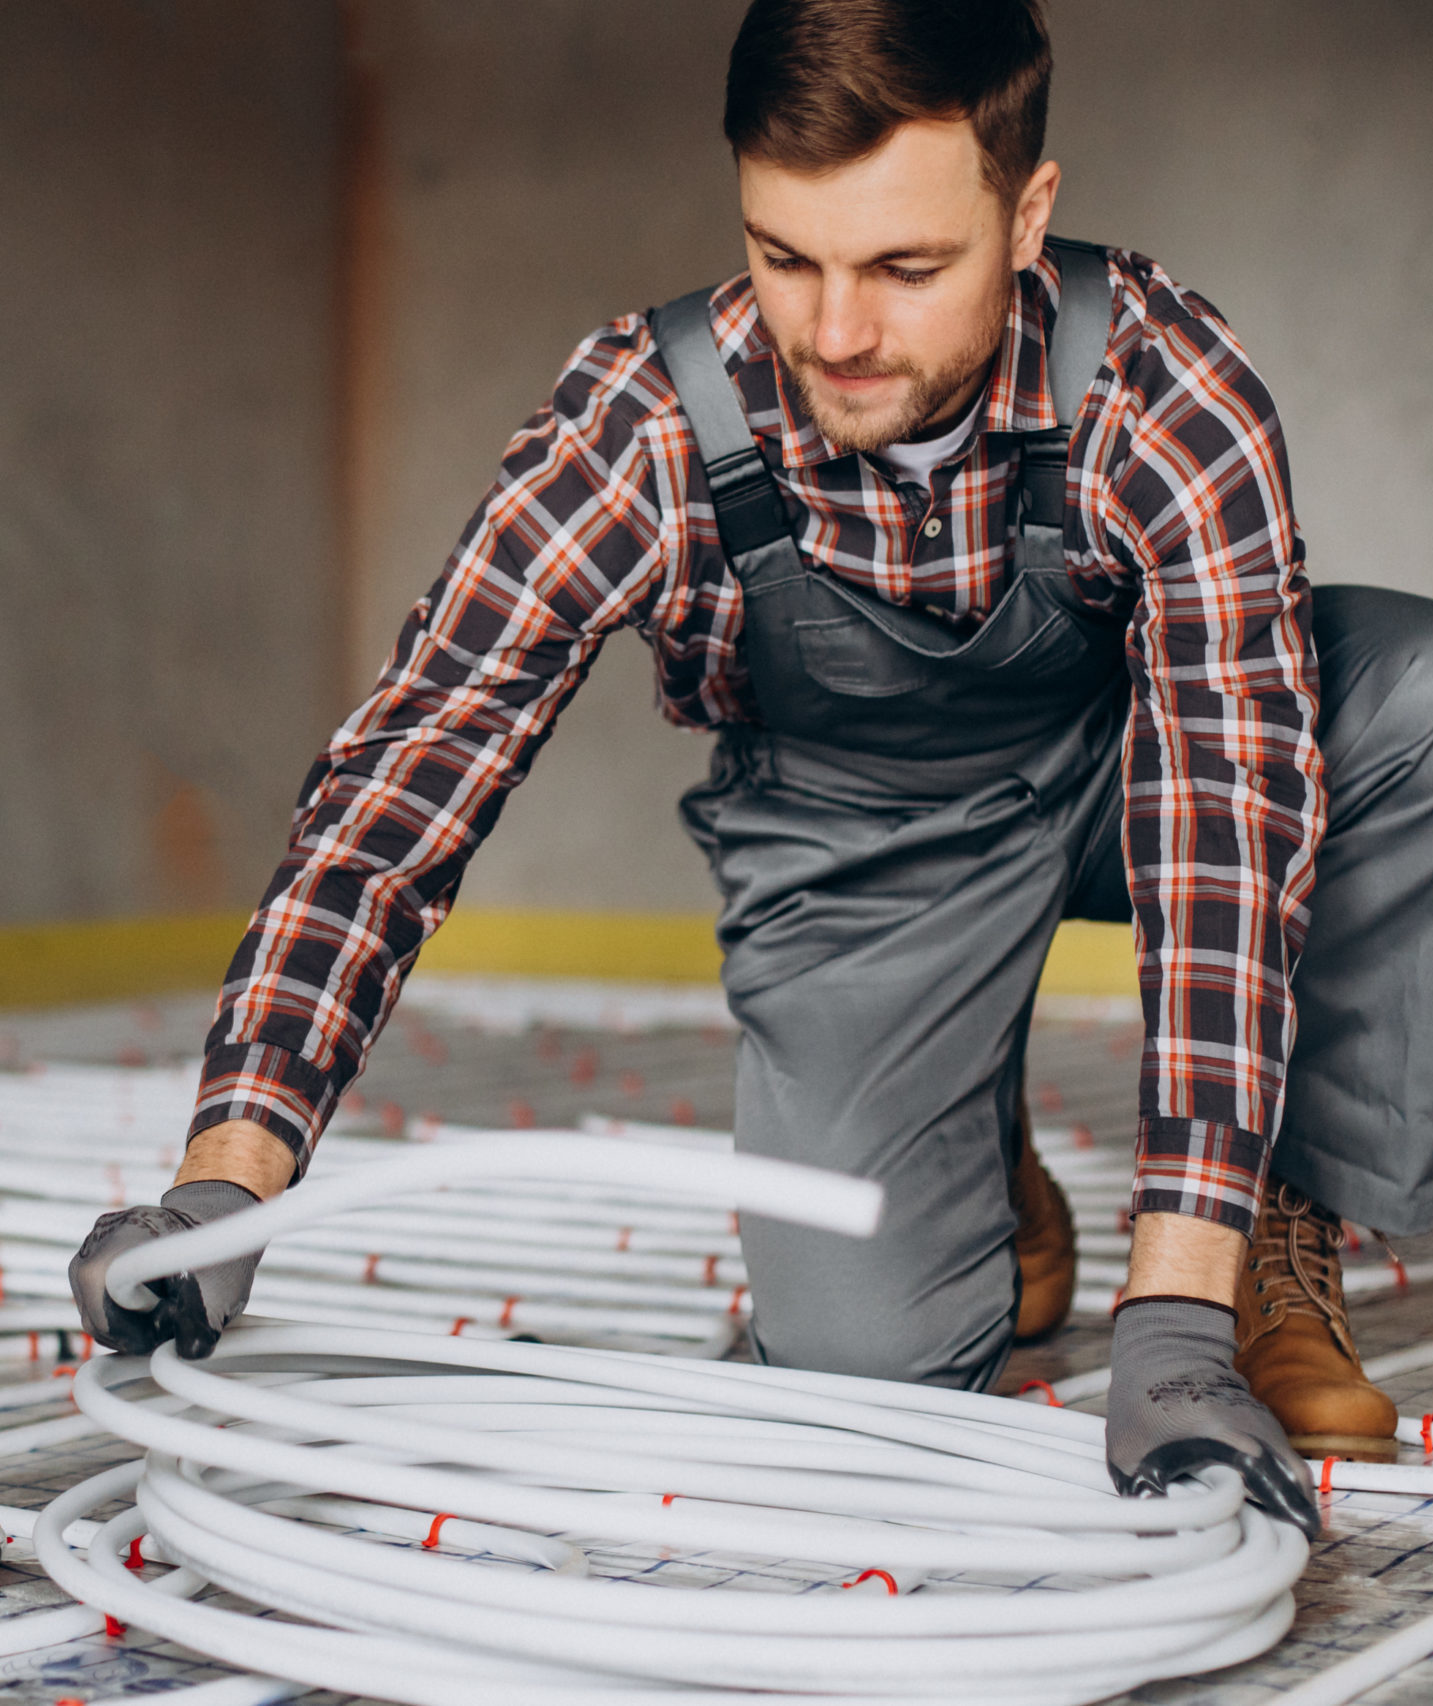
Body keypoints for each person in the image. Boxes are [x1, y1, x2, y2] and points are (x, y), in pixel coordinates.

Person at [70, 0, 1433, 1541]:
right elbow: (404, 782)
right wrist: (225, 1182)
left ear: (1025, 214)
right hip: (863, 852)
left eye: (903, 268)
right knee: (861, 1374)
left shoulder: (1163, 390)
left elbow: (1225, 822)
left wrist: (1172, 1304)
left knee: (1412, 695)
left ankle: (1268, 1225)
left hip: (1136, 775)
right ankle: (969, 1149)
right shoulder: (647, 420)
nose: (834, 332)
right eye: (787, 258)